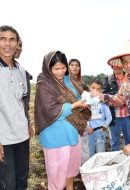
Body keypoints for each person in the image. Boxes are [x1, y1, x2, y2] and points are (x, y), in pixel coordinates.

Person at [34, 51, 91, 190]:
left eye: (63, 68)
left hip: (72, 133)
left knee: (71, 169)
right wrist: (74, 105)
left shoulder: (69, 80)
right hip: (55, 137)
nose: (60, 72)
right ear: (48, 68)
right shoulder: (44, 84)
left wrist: (83, 103)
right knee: (57, 176)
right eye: (56, 69)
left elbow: (77, 95)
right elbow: (49, 110)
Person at [0, 25, 30, 190]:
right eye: (2, 39)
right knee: (7, 184)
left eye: (12, 40)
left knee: (21, 181)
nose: (7, 44)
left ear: (17, 43)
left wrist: (28, 124)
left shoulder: (21, 71)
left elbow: (22, 102)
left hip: (21, 136)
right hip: (3, 139)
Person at [103, 65, 130, 151]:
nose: (117, 68)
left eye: (119, 66)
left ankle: (129, 160)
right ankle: (115, 161)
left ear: (122, 66)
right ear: (112, 67)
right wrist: (116, 98)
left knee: (129, 140)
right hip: (114, 116)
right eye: (114, 66)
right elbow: (105, 96)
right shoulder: (108, 80)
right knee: (114, 141)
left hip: (128, 115)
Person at [69, 58, 90, 163]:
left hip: (82, 118)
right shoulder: (64, 85)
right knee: (72, 146)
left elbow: (88, 102)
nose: (74, 67)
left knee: (83, 145)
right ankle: (73, 171)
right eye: (72, 65)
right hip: (69, 118)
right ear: (68, 67)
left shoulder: (83, 85)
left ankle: (83, 169)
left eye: (77, 65)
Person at [14, 37, 34, 138]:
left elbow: (24, 103)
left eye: (20, 45)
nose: (19, 48)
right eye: (16, 43)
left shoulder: (21, 70)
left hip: (20, 128)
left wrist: (28, 123)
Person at [87, 79, 112, 157]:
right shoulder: (86, 102)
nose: (95, 90)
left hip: (100, 131)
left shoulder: (103, 103)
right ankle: (91, 168)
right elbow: (83, 116)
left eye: (98, 89)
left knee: (100, 153)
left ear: (101, 91)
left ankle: (100, 168)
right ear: (89, 88)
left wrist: (103, 127)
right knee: (90, 152)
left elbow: (109, 117)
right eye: (93, 88)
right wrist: (88, 126)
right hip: (89, 131)